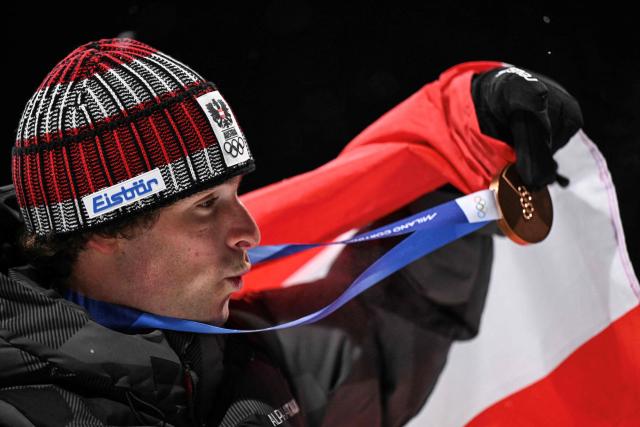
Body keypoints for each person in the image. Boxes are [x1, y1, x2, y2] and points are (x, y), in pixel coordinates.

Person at [0, 38, 581, 426]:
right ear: (103, 229)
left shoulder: (247, 355)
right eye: (206, 205)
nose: (248, 229)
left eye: (236, 195)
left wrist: (473, 133)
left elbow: (399, 319)